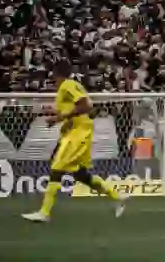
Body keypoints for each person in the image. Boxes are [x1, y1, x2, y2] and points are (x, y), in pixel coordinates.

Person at [22, 60, 126, 222]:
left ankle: (44, 212)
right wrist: (55, 114)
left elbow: (86, 106)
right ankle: (117, 197)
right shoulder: (70, 86)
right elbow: (74, 108)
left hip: (78, 133)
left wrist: (59, 117)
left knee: (57, 168)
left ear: (56, 74)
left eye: (52, 76)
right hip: (78, 131)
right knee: (81, 174)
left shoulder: (67, 85)